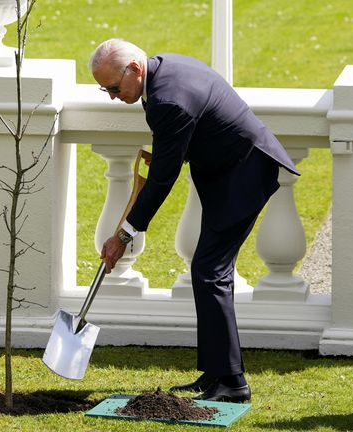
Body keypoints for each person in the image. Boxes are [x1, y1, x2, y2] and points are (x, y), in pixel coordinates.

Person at [90, 39, 299, 403]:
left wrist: (123, 236)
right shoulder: (162, 71)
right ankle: (216, 373)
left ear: (135, 70)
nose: (110, 96)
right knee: (210, 271)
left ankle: (233, 384)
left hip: (245, 174)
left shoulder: (167, 100)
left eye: (113, 87)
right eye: (104, 88)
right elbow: (188, 132)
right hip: (232, 170)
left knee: (209, 271)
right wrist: (171, 153)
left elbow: (161, 183)